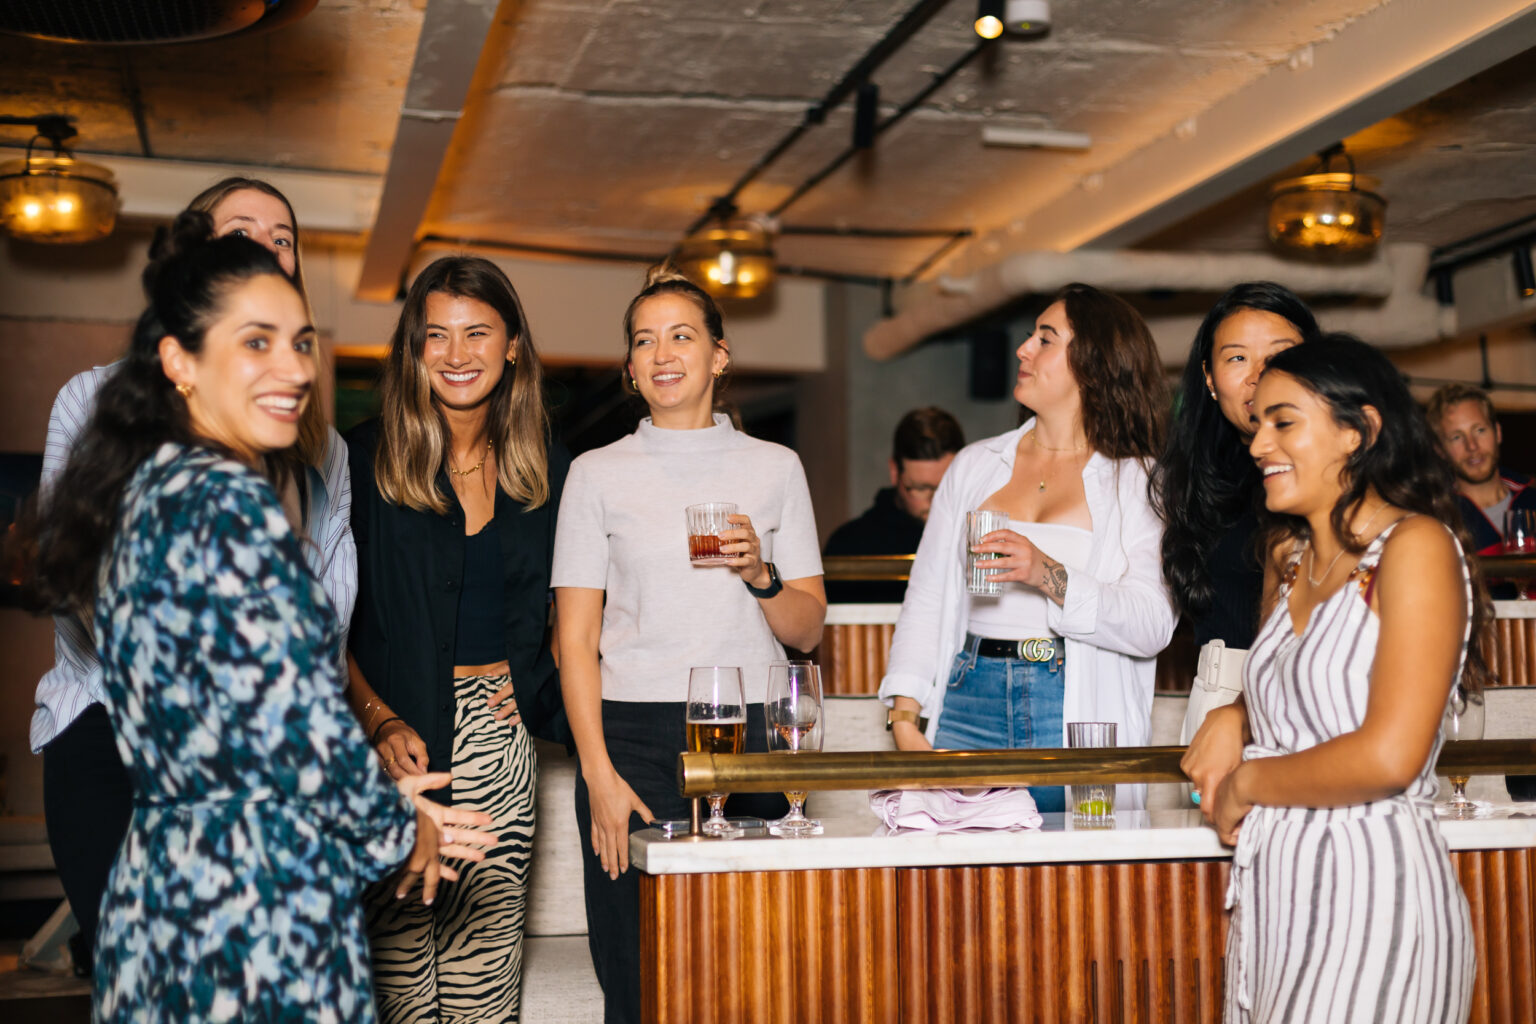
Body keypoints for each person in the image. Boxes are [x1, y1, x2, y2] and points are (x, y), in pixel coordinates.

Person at [21, 217, 494, 1020]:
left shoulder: (147, 491)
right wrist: (405, 824)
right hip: (251, 915)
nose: (294, 368)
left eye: (302, 343)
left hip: (163, 891)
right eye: (256, 343)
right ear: (179, 361)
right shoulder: (227, 506)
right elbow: (299, 741)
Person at [28, 176, 356, 978]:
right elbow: (82, 583)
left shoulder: (323, 448)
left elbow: (332, 607)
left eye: (283, 238)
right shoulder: (92, 399)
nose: (267, 246)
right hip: (111, 732)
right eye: (242, 230)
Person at [552, 265, 826, 1023]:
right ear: (630, 366)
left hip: (756, 737)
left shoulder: (776, 467)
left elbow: (808, 630)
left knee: (757, 969)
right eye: (644, 341)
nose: (662, 353)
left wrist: (761, 574)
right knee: (638, 970)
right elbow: (574, 641)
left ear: (720, 355)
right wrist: (599, 775)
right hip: (633, 740)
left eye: (681, 335)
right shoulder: (595, 474)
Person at [1194, 336, 1480, 1022]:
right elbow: (1299, 691)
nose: (1259, 444)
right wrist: (1236, 712)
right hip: (1280, 897)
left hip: (1375, 891)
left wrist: (1247, 783)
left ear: (1359, 431)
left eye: (1283, 422)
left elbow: (1389, 756)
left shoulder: (1414, 547)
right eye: (1257, 424)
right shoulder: (1289, 557)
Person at [344, 255, 569, 1023]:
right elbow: (319, 626)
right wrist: (377, 720)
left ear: (513, 346)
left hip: (500, 745)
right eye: (435, 334)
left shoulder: (550, 468)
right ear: (413, 348)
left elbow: (584, 608)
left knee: (483, 981)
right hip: (395, 747)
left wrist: (536, 678)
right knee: (400, 985)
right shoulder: (359, 460)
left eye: (477, 332)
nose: (456, 352)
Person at [879, 283, 1176, 813]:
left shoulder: (1137, 478)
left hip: (1072, 706)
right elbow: (925, 598)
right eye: (1030, 336)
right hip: (968, 699)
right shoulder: (975, 465)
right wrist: (905, 718)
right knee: (956, 862)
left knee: (1071, 862)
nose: (1023, 349)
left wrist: (1047, 574)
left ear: (1093, 363)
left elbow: (1152, 625)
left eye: (1045, 338)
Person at [1150, 283, 1320, 746]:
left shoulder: (1347, 476)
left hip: (1323, 691)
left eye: (1279, 354)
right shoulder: (1184, 480)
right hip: (1221, 697)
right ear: (1209, 378)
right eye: (1238, 357)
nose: (1259, 375)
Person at [823, 406, 965, 603]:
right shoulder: (849, 546)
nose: (936, 501)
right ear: (894, 472)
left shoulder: (978, 537)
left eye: (946, 487)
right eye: (921, 488)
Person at [1426, 382, 1536, 555]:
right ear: (1439, 449)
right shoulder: (1436, 521)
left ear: (1498, 432)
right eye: (1456, 437)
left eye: (1480, 430)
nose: (1472, 446)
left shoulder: (1531, 498)